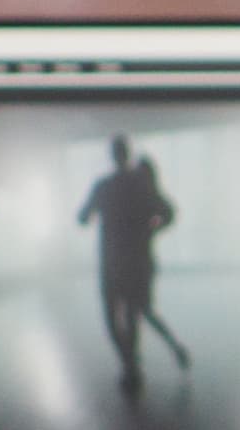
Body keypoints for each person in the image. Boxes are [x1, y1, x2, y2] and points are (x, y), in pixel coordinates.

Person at [76, 136, 188, 397]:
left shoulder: (103, 186)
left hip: (110, 262)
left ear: (112, 156)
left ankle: (130, 366)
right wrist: (150, 231)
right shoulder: (142, 185)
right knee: (137, 313)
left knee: (113, 317)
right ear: (128, 154)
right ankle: (139, 362)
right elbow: (169, 213)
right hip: (139, 260)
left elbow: (82, 218)